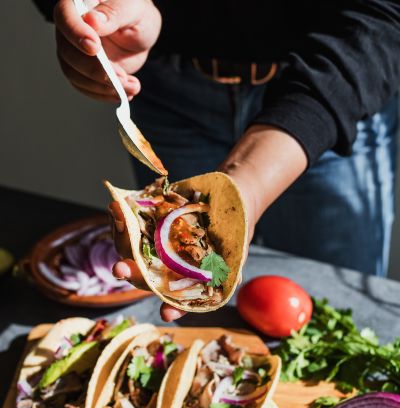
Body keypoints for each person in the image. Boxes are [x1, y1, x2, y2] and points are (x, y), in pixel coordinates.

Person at [33, 0, 400, 321]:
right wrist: (97, 13)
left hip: (334, 93)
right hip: (164, 87)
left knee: (342, 310)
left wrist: (247, 189)